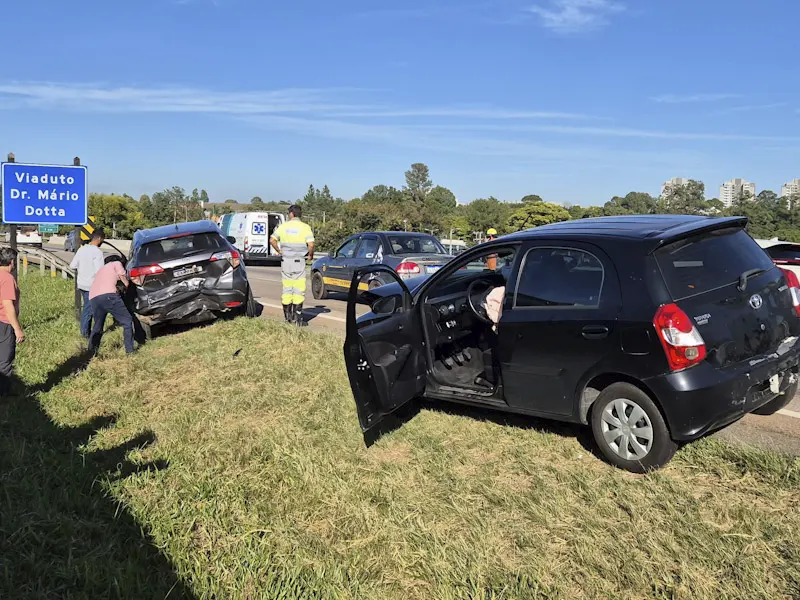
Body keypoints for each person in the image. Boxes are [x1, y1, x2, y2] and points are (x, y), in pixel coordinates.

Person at [269, 204, 315, 325]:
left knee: (287, 289)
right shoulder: (305, 227)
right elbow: (311, 244)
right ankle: (297, 319)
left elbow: (272, 240)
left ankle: (288, 318)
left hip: (286, 262)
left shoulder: (283, 227)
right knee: (298, 289)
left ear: (291, 214)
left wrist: (279, 251)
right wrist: (310, 255)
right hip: (299, 261)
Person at [88, 255, 134, 355]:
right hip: (109, 295)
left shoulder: (101, 270)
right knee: (127, 321)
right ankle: (130, 351)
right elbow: (125, 282)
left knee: (98, 326)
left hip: (93, 298)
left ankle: (91, 352)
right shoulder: (116, 264)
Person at [70, 229, 106, 338]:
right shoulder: (97, 252)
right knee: (89, 310)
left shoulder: (82, 250)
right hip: (92, 285)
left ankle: (88, 331)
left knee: (88, 307)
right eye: (102, 240)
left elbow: (73, 265)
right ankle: (85, 334)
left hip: (81, 284)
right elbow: (100, 271)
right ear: (99, 239)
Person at [0, 247, 22, 395]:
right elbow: (8, 305)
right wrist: (17, 329)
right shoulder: (7, 278)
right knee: (5, 360)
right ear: (12, 262)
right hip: (4, 323)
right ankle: (5, 395)